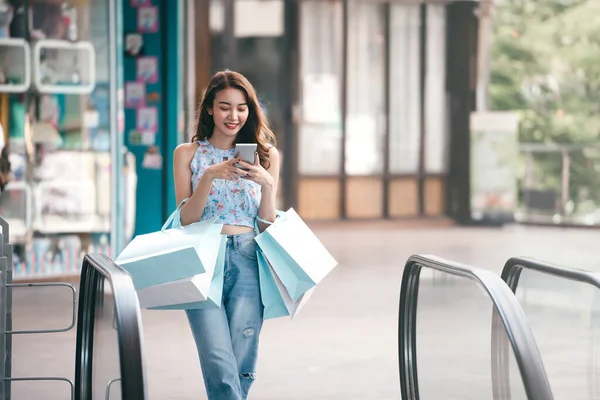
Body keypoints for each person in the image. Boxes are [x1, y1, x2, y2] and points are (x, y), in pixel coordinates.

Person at [172, 70, 279, 400]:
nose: (233, 116)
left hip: (248, 258)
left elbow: (267, 224)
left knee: (242, 360)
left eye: (241, 107)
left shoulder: (267, 156)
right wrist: (208, 178)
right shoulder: (187, 154)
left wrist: (268, 185)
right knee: (219, 362)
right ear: (209, 109)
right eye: (224, 107)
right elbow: (186, 219)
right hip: (203, 259)